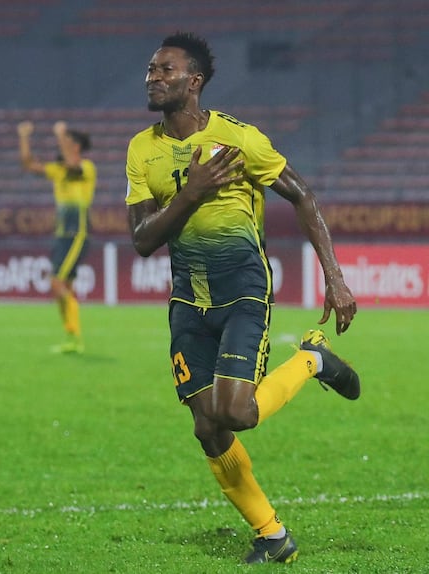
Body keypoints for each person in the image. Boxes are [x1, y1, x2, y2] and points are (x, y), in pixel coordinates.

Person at [125, 33, 360, 564]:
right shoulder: (142, 149)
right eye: (150, 69)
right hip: (188, 301)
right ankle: (273, 535)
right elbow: (141, 240)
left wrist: (336, 278)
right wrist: (191, 193)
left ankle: (311, 360)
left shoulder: (240, 140)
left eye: (165, 69)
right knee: (206, 426)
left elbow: (302, 195)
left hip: (243, 295)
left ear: (194, 82)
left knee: (235, 413)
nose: (153, 77)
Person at [17, 120, 96, 354]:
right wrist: (24, 137)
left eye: (69, 142)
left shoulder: (87, 168)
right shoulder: (59, 171)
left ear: (77, 146)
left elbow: (73, 163)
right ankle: (73, 339)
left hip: (77, 234)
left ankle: (74, 334)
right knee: (63, 288)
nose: (64, 145)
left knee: (57, 284)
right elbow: (28, 164)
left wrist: (61, 135)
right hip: (62, 235)